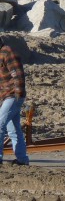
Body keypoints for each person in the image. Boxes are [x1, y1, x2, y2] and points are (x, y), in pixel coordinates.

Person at [0, 36, 30, 167]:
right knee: (13, 129)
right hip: (7, 96)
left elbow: (18, 73)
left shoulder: (7, 52)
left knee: (0, 124)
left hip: (13, 95)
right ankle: (22, 159)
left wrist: (18, 94)